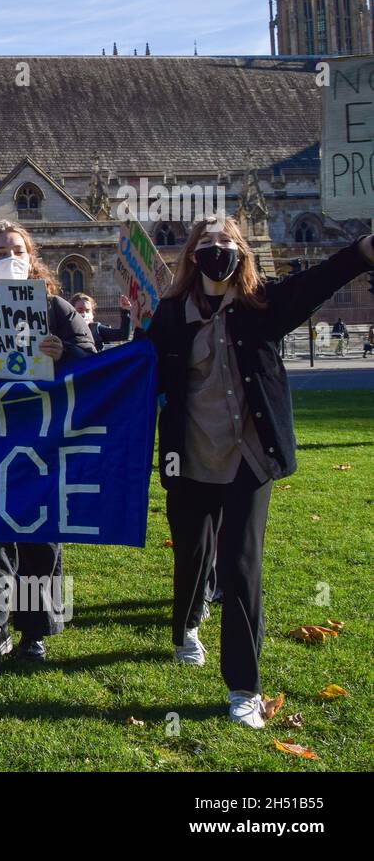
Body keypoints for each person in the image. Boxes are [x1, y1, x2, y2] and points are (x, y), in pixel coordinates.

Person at [142, 218, 374, 728]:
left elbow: (317, 281)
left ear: (243, 252)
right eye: (207, 243)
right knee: (192, 553)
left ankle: (243, 687)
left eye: (228, 242)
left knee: (242, 568)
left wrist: (362, 249)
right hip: (191, 456)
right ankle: (185, 628)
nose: (218, 250)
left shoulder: (262, 305)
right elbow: (136, 369)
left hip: (250, 456)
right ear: (192, 255)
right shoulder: (171, 314)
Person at [0, 220, 97, 673]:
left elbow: (93, 363)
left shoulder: (57, 308)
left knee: (41, 538)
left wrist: (65, 354)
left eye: (17, 248)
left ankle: (35, 631)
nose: (9, 256)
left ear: (31, 254)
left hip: (45, 439)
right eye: (0, 250)